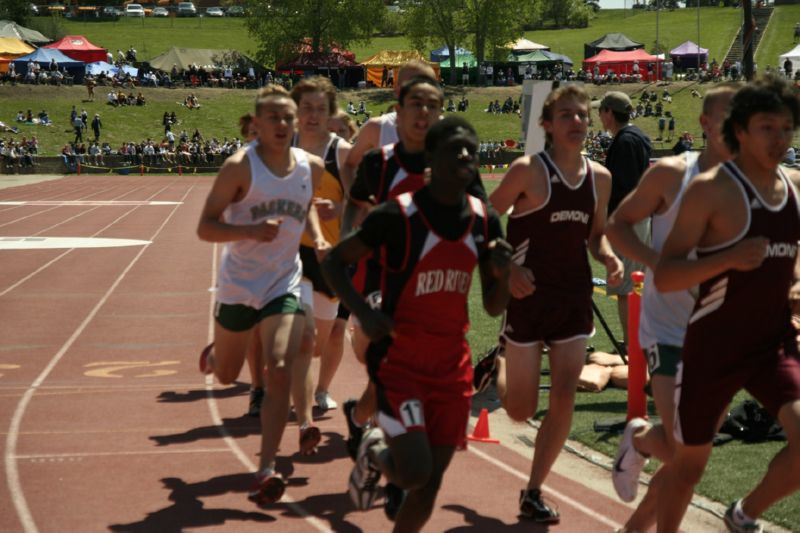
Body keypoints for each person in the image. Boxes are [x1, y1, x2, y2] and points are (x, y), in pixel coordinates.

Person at [322, 116, 511, 532]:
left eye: (471, 151)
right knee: (413, 472)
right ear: (431, 158)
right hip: (401, 362)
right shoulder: (397, 215)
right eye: (455, 149)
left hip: (451, 366)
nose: (465, 156)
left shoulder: (482, 219)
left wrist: (503, 275)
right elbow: (335, 261)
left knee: (429, 484)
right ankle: (374, 450)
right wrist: (363, 310)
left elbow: (494, 306)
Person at [653, 76, 800, 533]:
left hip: (773, 342)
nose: (778, 139)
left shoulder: (796, 186)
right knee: (689, 465)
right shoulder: (711, 190)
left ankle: (743, 514)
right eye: (766, 128)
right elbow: (666, 273)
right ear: (740, 131)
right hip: (714, 347)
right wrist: (730, 257)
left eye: (786, 128)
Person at [474, 85, 622, 523]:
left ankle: (533, 490)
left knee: (563, 396)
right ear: (548, 125)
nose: (576, 122)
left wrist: (610, 257)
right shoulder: (527, 171)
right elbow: (482, 221)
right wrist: (509, 270)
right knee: (520, 410)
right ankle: (498, 362)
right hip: (526, 299)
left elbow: (596, 235)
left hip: (573, 300)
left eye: (582, 115)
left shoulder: (601, 178)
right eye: (566, 115)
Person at [605, 83, 738, 533]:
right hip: (669, 327)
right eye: (727, 120)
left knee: (689, 454)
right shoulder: (671, 175)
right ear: (704, 124)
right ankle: (642, 439)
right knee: (687, 451)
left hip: (724, 333)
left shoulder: (758, 183)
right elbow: (618, 223)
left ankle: (634, 518)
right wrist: (659, 261)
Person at [196, 84, 330, 505]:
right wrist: (249, 231)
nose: (284, 125)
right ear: (255, 125)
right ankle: (218, 353)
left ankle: (266, 468)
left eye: (288, 118)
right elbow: (205, 227)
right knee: (226, 375)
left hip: (281, 283)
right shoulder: (239, 168)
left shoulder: (312, 165)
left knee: (278, 367)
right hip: (239, 284)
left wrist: (319, 236)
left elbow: (304, 202)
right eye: (273, 118)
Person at [290, 76, 353, 413]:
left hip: (330, 254)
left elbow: (363, 204)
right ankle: (300, 410)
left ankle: (320, 389)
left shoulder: (341, 152)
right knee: (300, 335)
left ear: (331, 113)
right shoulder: (282, 146)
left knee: (321, 341)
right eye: (307, 108)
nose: (313, 115)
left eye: (320, 108)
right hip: (288, 253)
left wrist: (340, 208)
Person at [597, 91, 652, 351]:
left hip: (627, 221)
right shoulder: (636, 136)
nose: (599, 117)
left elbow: (624, 186)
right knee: (634, 284)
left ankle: (632, 344)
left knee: (625, 288)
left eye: (601, 111)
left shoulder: (625, 140)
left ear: (609, 112)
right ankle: (635, 340)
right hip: (638, 219)